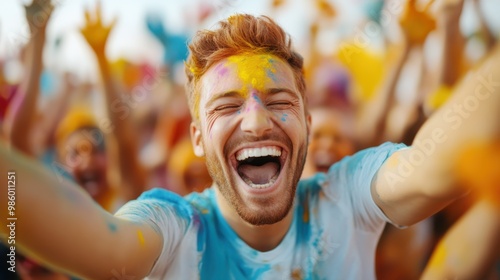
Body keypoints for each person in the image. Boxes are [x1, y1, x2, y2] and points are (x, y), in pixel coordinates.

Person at [1, 13, 500, 279]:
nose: (257, 121)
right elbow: (98, 244)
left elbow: (426, 167)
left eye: (280, 101)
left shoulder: (348, 199)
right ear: (196, 137)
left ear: (305, 119)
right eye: (225, 106)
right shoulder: (172, 230)